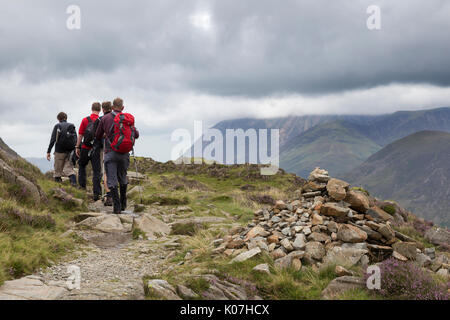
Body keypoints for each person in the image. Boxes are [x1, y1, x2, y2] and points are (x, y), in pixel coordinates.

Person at [95, 97, 139, 214]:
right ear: (123, 108)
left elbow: (98, 135)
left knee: (112, 180)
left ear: (112, 107)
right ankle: (124, 202)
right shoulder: (127, 119)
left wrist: (106, 134)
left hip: (110, 153)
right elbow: (137, 134)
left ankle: (117, 207)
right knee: (123, 178)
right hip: (124, 153)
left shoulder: (105, 118)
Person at [75, 102, 102, 201]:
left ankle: (82, 188)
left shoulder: (85, 120)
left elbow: (80, 135)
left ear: (91, 109)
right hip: (96, 149)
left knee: (82, 166)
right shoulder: (101, 120)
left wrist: (77, 147)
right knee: (96, 171)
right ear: (99, 110)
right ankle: (96, 193)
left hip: (85, 148)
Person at [47, 112, 77, 186]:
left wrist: (48, 151)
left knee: (58, 171)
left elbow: (53, 140)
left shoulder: (57, 126)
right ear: (66, 118)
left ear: (58, 119)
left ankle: (59, 187)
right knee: (69, 169)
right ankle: (74, 184)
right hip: (70, 152)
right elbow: (75, 139)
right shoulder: (71, 126)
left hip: (59, 151)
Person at [100, 101, 113, 206]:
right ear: (111, 108)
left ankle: (109, 196)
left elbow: (97, 134)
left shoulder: (103, 119)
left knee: (106, 173)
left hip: (108, 149)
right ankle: (118, 196)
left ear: (102, 109)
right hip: (120, 149)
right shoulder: (120, 117)